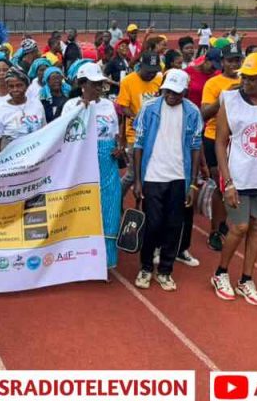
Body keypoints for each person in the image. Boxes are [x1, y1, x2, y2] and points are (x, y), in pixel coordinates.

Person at [210, 52, 257, 305]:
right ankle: (221, 272)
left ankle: (247, 278)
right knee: (239, 227)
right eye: (244, 78)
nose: (246, 82)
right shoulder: (229, 100)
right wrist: (227, 181)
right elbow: (219, 143)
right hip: (237, 176)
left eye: (252, 79)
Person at [132, 69, 202, 292]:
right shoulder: (150, 108)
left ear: (185, 92)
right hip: (152, 176)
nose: (171, 96)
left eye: (176, 92)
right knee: (152, 225)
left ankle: (165, 270)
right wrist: (138, 180)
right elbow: (139, 144)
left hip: (179, 178)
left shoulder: (192, 112)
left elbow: (195, 147)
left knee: (173, 226)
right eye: (168, 91)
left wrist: (192, 183)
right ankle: (145, 268)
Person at [63, 62, 122, 268]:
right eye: (94, 84)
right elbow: (64, 136)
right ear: (82, 83)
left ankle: (107, 259)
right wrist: (83, 108)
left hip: (107, 161)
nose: (98, 88)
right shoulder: (70, 106)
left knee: (109, 208)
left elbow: (115, 133)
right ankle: (80, 257)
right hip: (80, 161)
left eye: (100, 84)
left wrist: (118, 147)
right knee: (81, 207)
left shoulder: (108, 105)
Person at [200, 44, 243, 251]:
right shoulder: (213, 83)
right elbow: (204, 113)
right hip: (214, 138)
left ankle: (226, 224)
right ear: (223, 62)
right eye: (230, 60)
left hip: (238, 142)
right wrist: (223, 98)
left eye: (237, 60)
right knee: (221, 186)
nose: (234, 64)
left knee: (235, 185)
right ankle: (215, 230)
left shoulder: (247, 82)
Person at [116, 52, 163, 197]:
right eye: (149, 71)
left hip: (156, 133)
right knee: (132, 174)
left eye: (154, 71)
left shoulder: (160, 79)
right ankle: (117, 198)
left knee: (152, 171)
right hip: (135, 134)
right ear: (140, 66)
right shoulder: (128, 81)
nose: (151, 75)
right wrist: (138, 118)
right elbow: (123, 106)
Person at [0, 68, 45, 153]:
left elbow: (44, 131)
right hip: (13, 160)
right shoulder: (0, 110)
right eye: (11, 86)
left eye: (19, 85)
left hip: (36, 156)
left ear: (26, 86)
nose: (15, 89)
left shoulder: (37, 105)